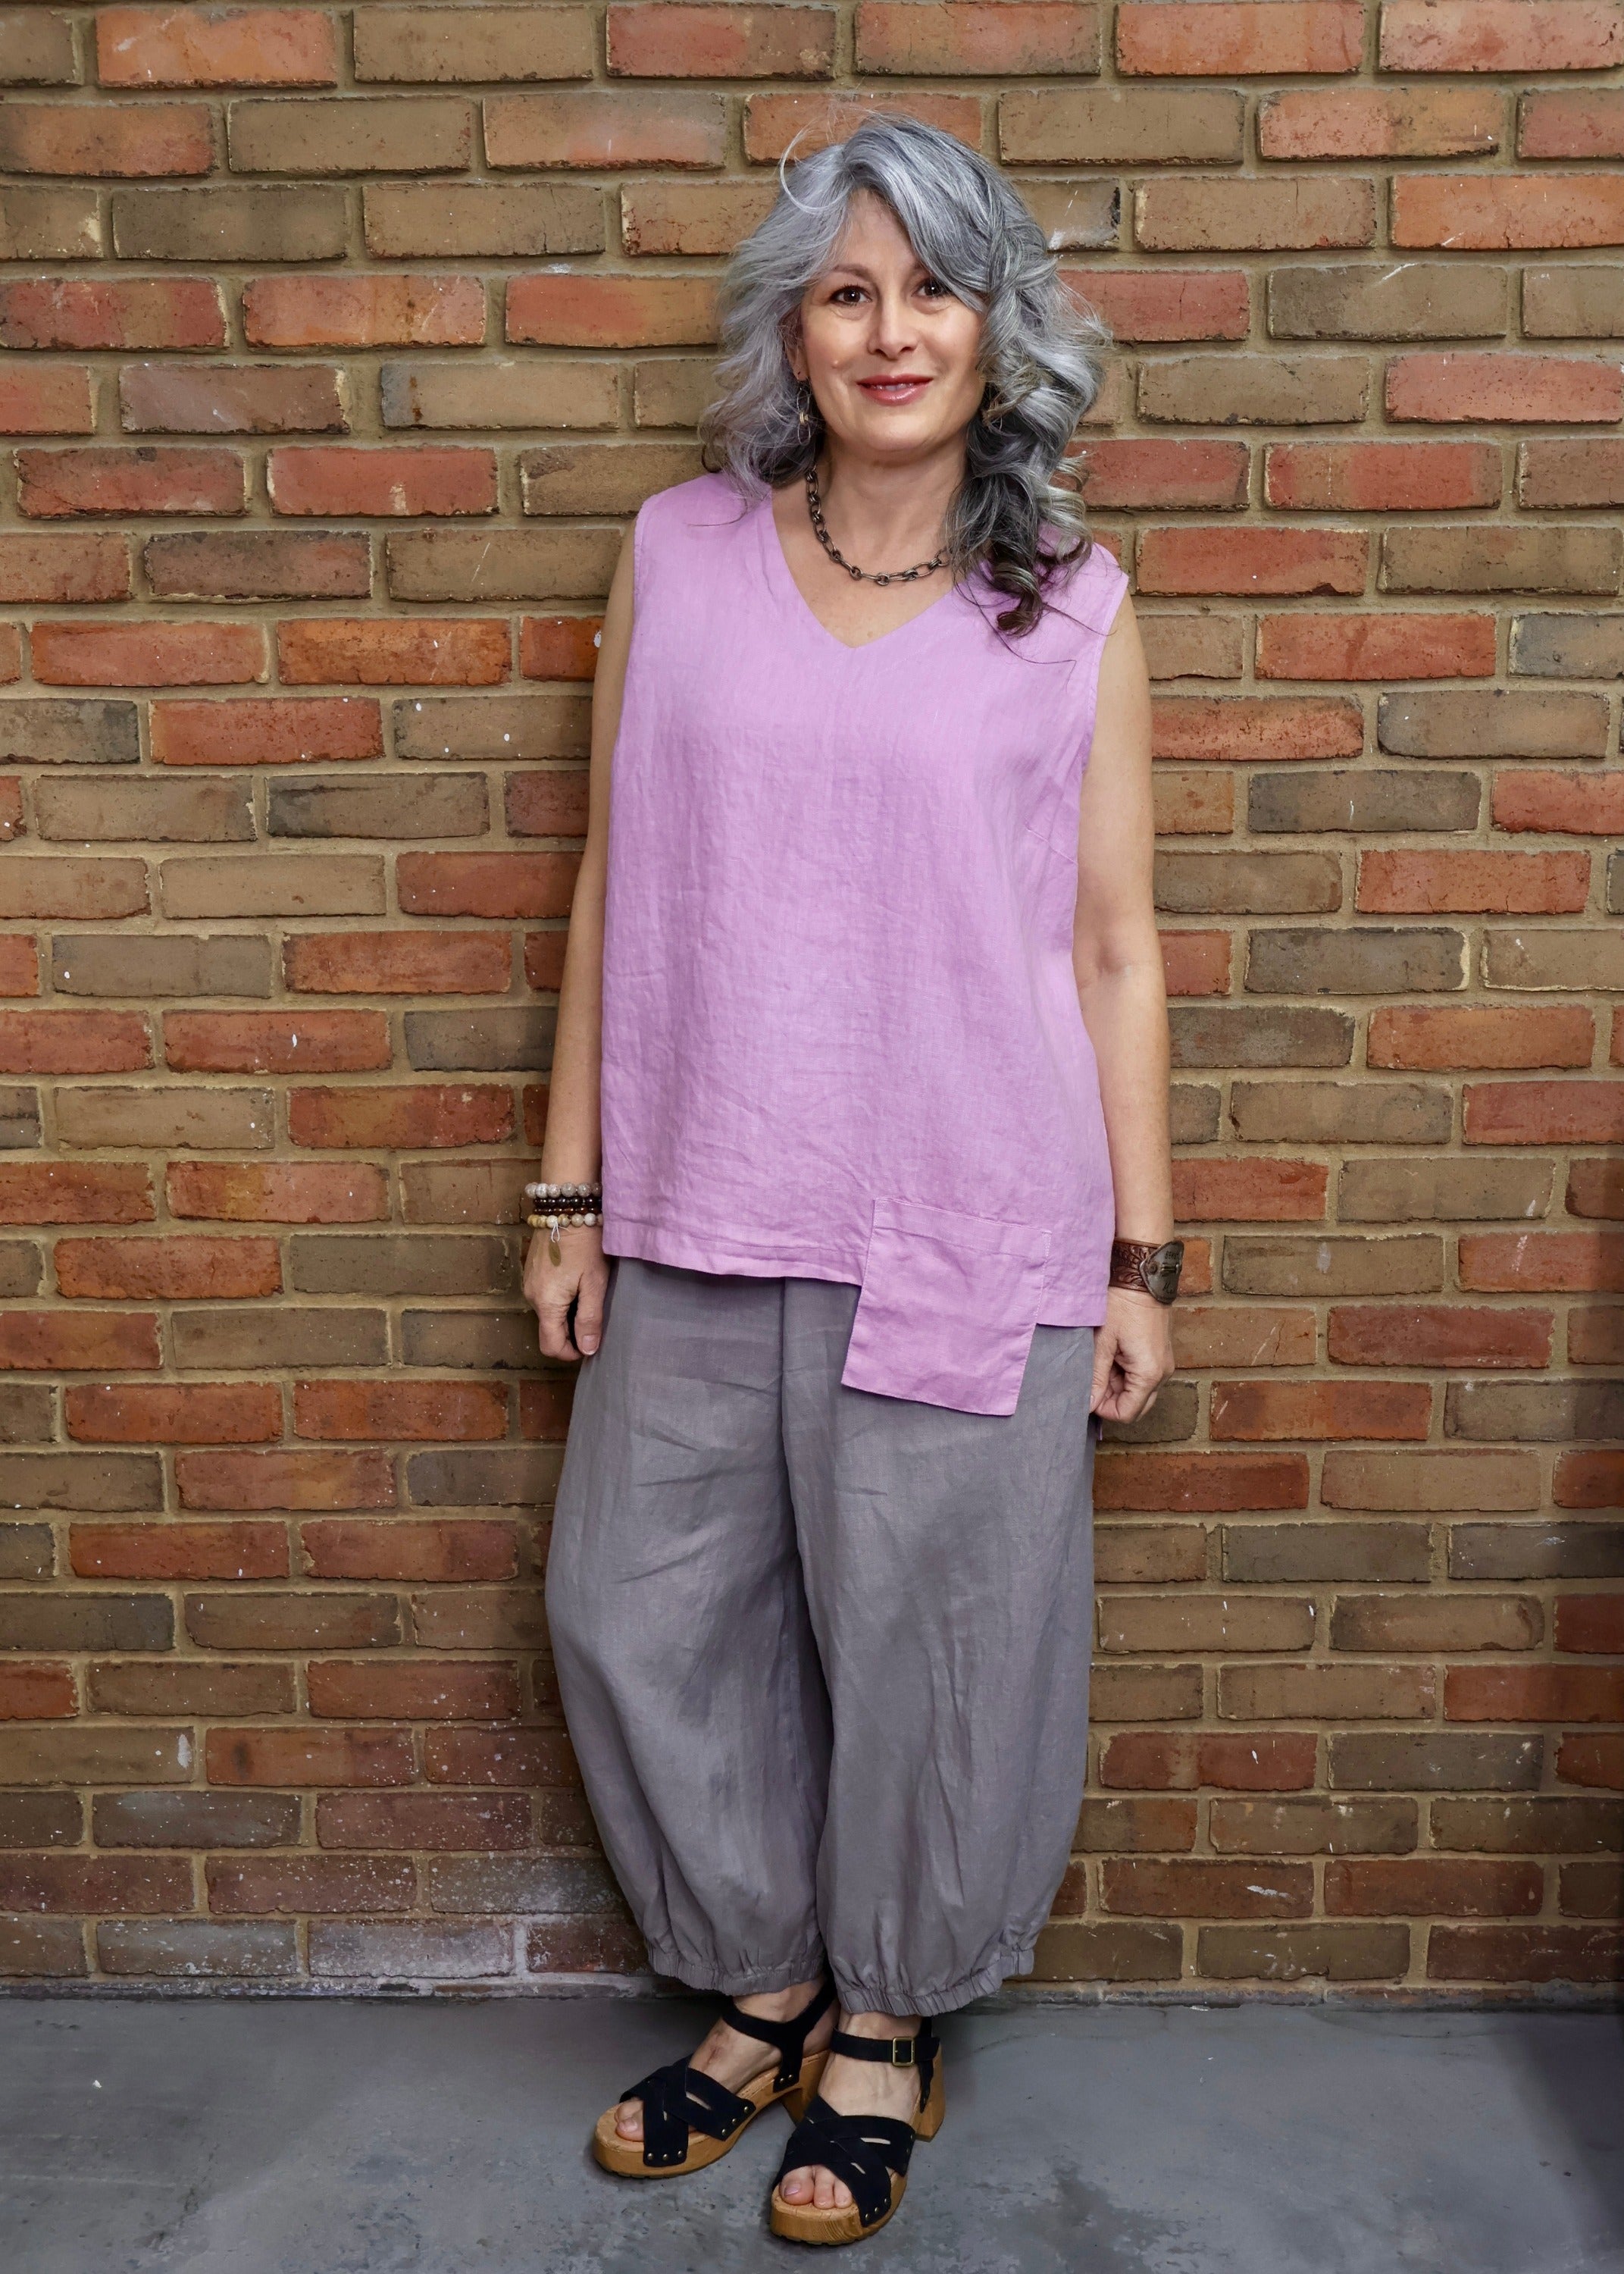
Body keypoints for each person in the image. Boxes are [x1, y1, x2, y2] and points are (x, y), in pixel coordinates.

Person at [525, 113, 1178, 2249]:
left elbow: (1113, 946)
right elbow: (613, 875)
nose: (894, 331)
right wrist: (566, 1196)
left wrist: (1144, 1256)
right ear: (792, 332)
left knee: (944, 1642)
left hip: (973, 1214)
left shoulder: (1069, 606)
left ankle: (884, 2019)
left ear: (1001, 329)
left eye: (936, 288)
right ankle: (765, 1979)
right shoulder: (678, 551)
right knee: (634, 1613)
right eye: (846, 290)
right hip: (706, 1194)